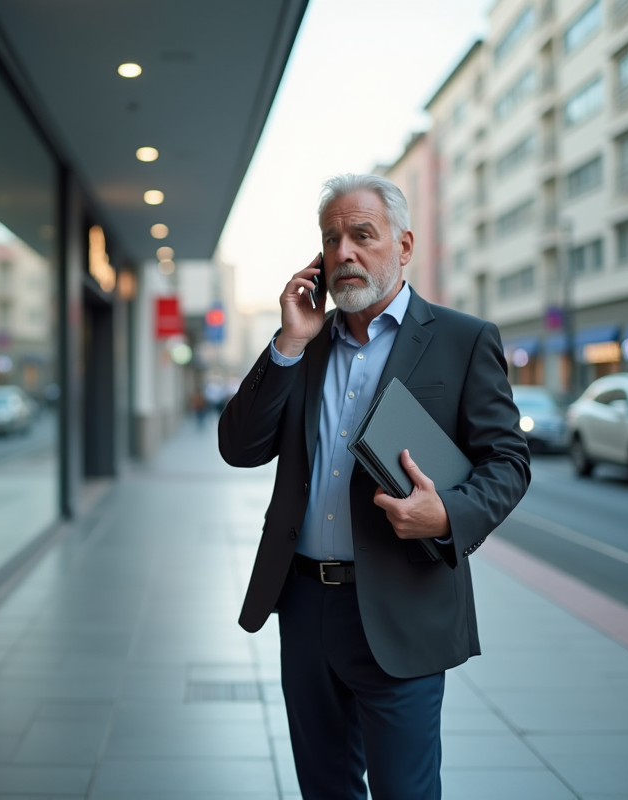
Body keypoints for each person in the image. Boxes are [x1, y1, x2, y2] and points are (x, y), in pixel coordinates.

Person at [218, 174, 530, 799]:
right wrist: (286, 342)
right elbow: (240, 446)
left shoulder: (462, 339)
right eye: (331, 239)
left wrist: (446, 516)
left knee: (404, 791)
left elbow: (508, 461)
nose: (344, 253)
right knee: (324, 787)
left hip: (401, 605)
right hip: (305, 605)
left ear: (404, 245)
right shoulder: (303, 343)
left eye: (362, 235)